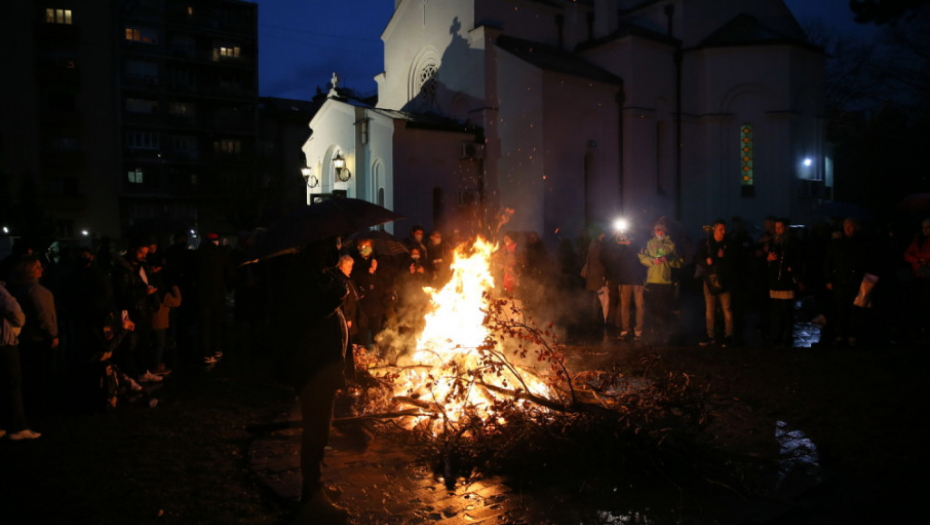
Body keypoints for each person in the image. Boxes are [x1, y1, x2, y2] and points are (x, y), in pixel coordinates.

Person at [267, 239, 350, 524]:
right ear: (319, 249)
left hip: (323, 365)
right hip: (314, 367)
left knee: (321, 430)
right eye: (333, 245)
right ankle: (312, 500)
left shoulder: (316, 276)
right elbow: (318, 309)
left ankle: (316, 488)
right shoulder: (305, 279)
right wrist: (340, 288)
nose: (337, 250)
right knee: (316, 432)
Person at [8, 256, 60, 414]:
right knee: (42, 373)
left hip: (26, 337)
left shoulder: (18, 289)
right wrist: (53, 334)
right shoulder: (36, 291)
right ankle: (43, 405)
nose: (41, 269)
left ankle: (32, 404)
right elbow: (43, 315)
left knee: (31, 374)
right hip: (39, 338)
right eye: (37, 267)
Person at [1, 280, 41, 440]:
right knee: (12, 383)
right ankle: (18, 426)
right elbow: (13, 308)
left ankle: (3, 424)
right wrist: (16, 327)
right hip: (4, 342)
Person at [824, 218, 872, 347]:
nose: (850, 230)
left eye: (852, 227)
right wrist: (828, 279)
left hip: (855, 281)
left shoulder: (861, 243)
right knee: (841, 308)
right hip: (841, 280)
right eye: (847, 228)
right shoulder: (838, 243)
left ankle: (852, 334)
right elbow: (829, 261)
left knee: (854, 309)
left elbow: (866, 262)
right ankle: (841, 334)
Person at [638, 218, 683, 343]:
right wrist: (652, 261)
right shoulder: (649, 243)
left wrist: (669, 259)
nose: (660, 232)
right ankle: (655, 331)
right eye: (657, 230)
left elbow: (680, 262)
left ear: (666, 231)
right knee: (653, 308)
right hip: (652, 281)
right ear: (653, 231)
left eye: (662, 229)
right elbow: (641, 257)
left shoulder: (672, 244)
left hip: (667, 282)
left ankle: (665, 333)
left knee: (665, 308)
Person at [695, 220, 736, 347]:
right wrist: (705, 261)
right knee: (710, 309)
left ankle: (728, 335)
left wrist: (724, 256)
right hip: (710, 280)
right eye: (721, 229)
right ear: (714, 230)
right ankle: (710, 335)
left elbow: (735, 260)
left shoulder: (728, 243)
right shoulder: (706, 243)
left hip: (724, 280)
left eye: (724, 229)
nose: (723, 232)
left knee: (727, 309)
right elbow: (696, 258)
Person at [602, 230, 646, 340]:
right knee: (624, 306)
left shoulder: (638, 241)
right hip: (624, 280)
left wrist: (629, 243)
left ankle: (639, 329)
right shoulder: (617, 246)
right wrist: (615, 240)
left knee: (639, 305)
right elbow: (609, 257)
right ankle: (626, 329)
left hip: (638, 279)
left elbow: (643, 254)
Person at [196, 233, 230, 365]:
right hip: (218, 293)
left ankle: (206, 352)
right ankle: (217, 349)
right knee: (217, 324)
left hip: (202, 294)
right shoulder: (222, 254)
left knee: (205, 325)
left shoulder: (199, 254)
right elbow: (228, 274)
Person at [767, 218, 800, 348]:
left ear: (785, 228)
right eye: (776, 228)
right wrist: (768, 259)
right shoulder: (773, 241)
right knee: (777, 311)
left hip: (786, 280)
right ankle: (778, 334)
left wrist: (792, 267)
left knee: (787, 310)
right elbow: (771, 258)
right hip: (776, 280)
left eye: (780, 228)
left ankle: (787, 335)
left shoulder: (792, 241)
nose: (778, 230)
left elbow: (798, 257)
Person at [903, 218, 930, 343]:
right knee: (918, 302)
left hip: (926, 275)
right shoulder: (917, 240)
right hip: (918, 274)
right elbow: (907, 254)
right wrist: (918, 259)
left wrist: (919, 257)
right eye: (923, 227)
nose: (925, 229)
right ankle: (919, 328)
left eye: (927, 227)